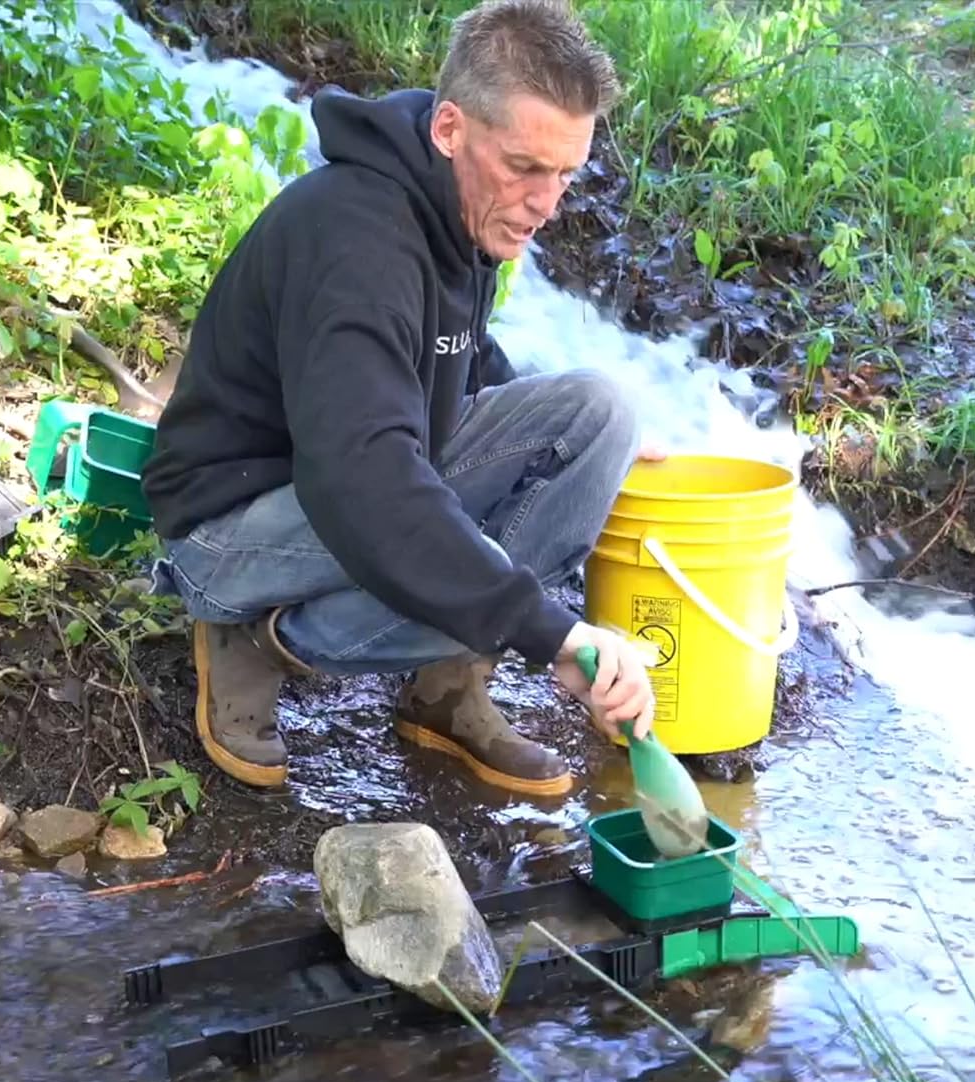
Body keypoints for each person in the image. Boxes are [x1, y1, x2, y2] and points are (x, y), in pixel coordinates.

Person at [140, 0, 659, 797]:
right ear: (450, 128)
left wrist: (576, 448)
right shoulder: (356, 242)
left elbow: (455, 358)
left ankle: (445, 684)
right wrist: (551, 635)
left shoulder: (456, 207)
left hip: (342, 471)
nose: (546, 202)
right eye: (523, 167)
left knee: (600, 416)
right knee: (423, 520)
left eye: (566, 173)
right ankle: (261, 637)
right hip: (232, 526)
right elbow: (367, 481)